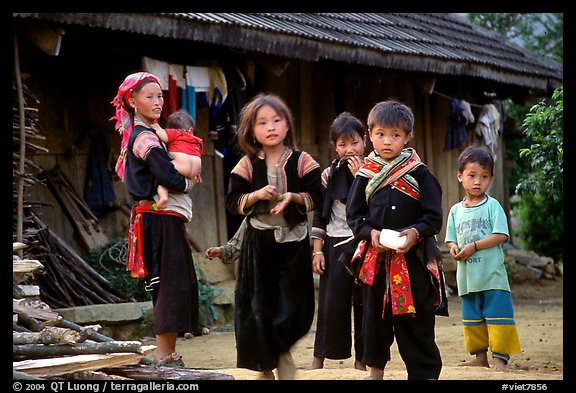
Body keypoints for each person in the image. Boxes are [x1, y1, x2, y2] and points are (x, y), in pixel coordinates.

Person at [346, 100, 448, 380]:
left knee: (416, 319)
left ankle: (424, 373)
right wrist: (372, 234)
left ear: (407, 137)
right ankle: (375, 372)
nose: (387, 141)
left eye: (395, 135)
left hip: (413, 261)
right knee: (375, 319)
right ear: (370, 135)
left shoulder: (420, 174)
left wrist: (414, 233)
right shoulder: (365, 175)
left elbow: (433, 217)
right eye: (380, 134)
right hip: (376, 261)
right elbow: (354, 216)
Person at [225, 93, 322, 380]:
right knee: (259, 307)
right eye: (262, 122)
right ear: (251, 130)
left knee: (293, 307)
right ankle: (266, 366)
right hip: (260, 243)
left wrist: (292, 196)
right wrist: (256, 195)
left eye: (276, 120)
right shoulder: (246, 164)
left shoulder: (302, 161)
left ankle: (281, 351)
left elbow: (319, 196)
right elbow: (232, 201)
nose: (270, 127)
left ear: (287, 125)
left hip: (294, 243)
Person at [111, 72, 199, 367]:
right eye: (149, 96)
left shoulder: (150, 133)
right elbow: (165, 174)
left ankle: (169, 355)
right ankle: (165, 358)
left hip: (161, 218)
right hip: (157, 219)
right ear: (132, 101)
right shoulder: (144, 136)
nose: (157, 101)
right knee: (170, 285)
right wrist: (187, 181)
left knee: (174, 283)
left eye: (159, 95)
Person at [445, 144, 521, 371]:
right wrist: (453, 248)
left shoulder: (493, 206)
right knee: (472, 321)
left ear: (491, 179)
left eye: (484, 176)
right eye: (472, 175)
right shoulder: (455, 211)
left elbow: (501, 235)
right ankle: (480, 357)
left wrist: (475, 246)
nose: (478, 182)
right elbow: (450, 238)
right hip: (467, 279)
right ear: (460, 176)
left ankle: (500, 359)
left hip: (492, 277)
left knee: (499, 318)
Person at [310, 112, 366, 371]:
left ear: (364, 141)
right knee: (331, 304)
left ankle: (362, 361)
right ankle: (318, 359)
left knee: (364, 303)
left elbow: (374, 209)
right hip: (334, 243)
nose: (348, 150)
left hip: (365, 242)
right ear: (335, 146)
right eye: (342, 144)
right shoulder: (327, 175)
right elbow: (321, 215)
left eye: (354, 142)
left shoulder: (375, 172)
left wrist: (361, 178)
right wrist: (317, 251)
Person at [150, 109, 203, 209]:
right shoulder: (197, 141)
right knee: (186, 183)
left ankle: (163, 197)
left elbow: (163, 136)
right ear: (191, 130)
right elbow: (197, 154)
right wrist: (198, 173)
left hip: (181, 166)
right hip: (195, 171)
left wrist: (156, 127)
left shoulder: (175, 133)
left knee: (161, 178)